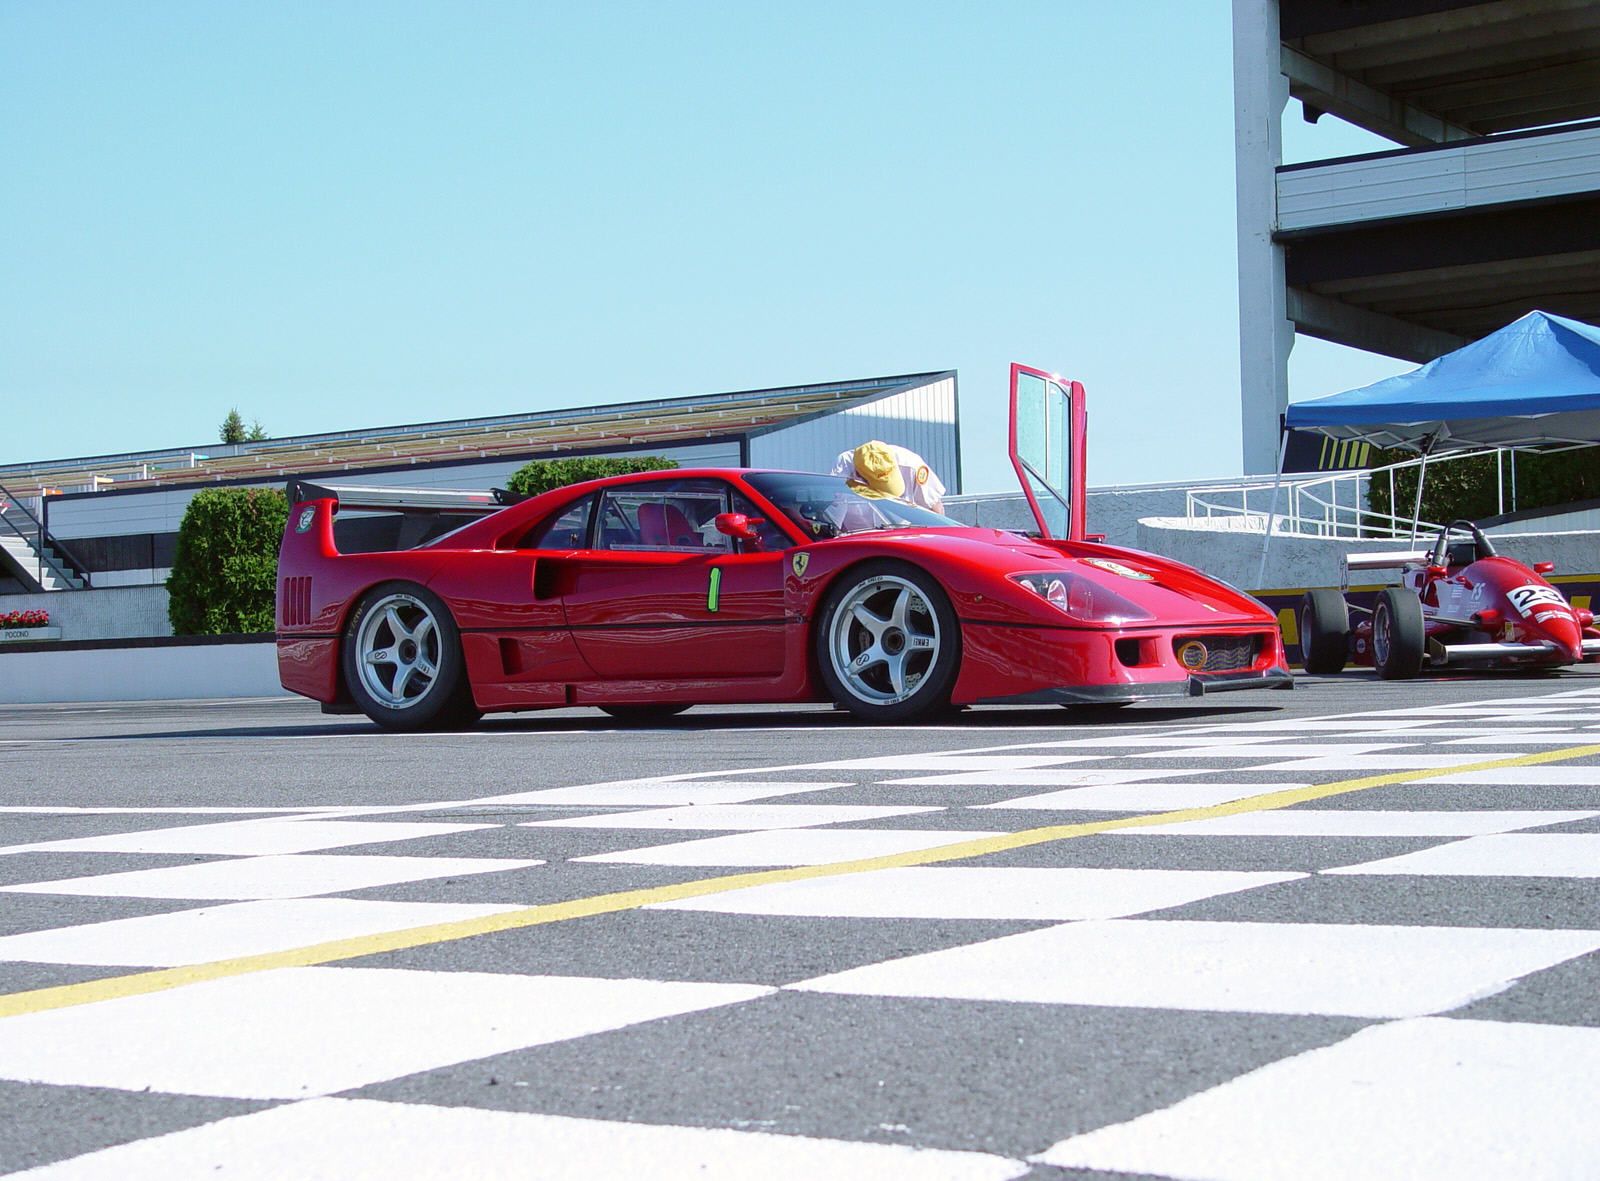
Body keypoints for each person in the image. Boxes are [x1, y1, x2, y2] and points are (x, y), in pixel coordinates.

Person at [829, 440, 946, 512]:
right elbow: (835, 512)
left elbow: (935, 508)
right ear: (860, 475)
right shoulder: (844, 468)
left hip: (905, 534)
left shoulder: (912, 466)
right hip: (860, 535)